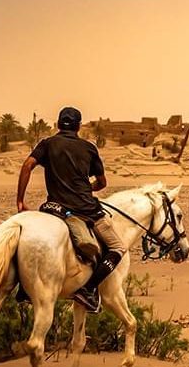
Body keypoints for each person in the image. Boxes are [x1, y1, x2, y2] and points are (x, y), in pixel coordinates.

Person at [16, 107, 126, 313]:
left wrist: (20, 201)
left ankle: (23, 287)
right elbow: (102, 182)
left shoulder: (47, 144)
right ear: (79, 126)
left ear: (58, 125)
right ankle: (88, 289)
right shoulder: (88, 148)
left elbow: (26, 166)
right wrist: (85, 189)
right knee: (118, 248)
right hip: (85, 209)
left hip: (54, 207)